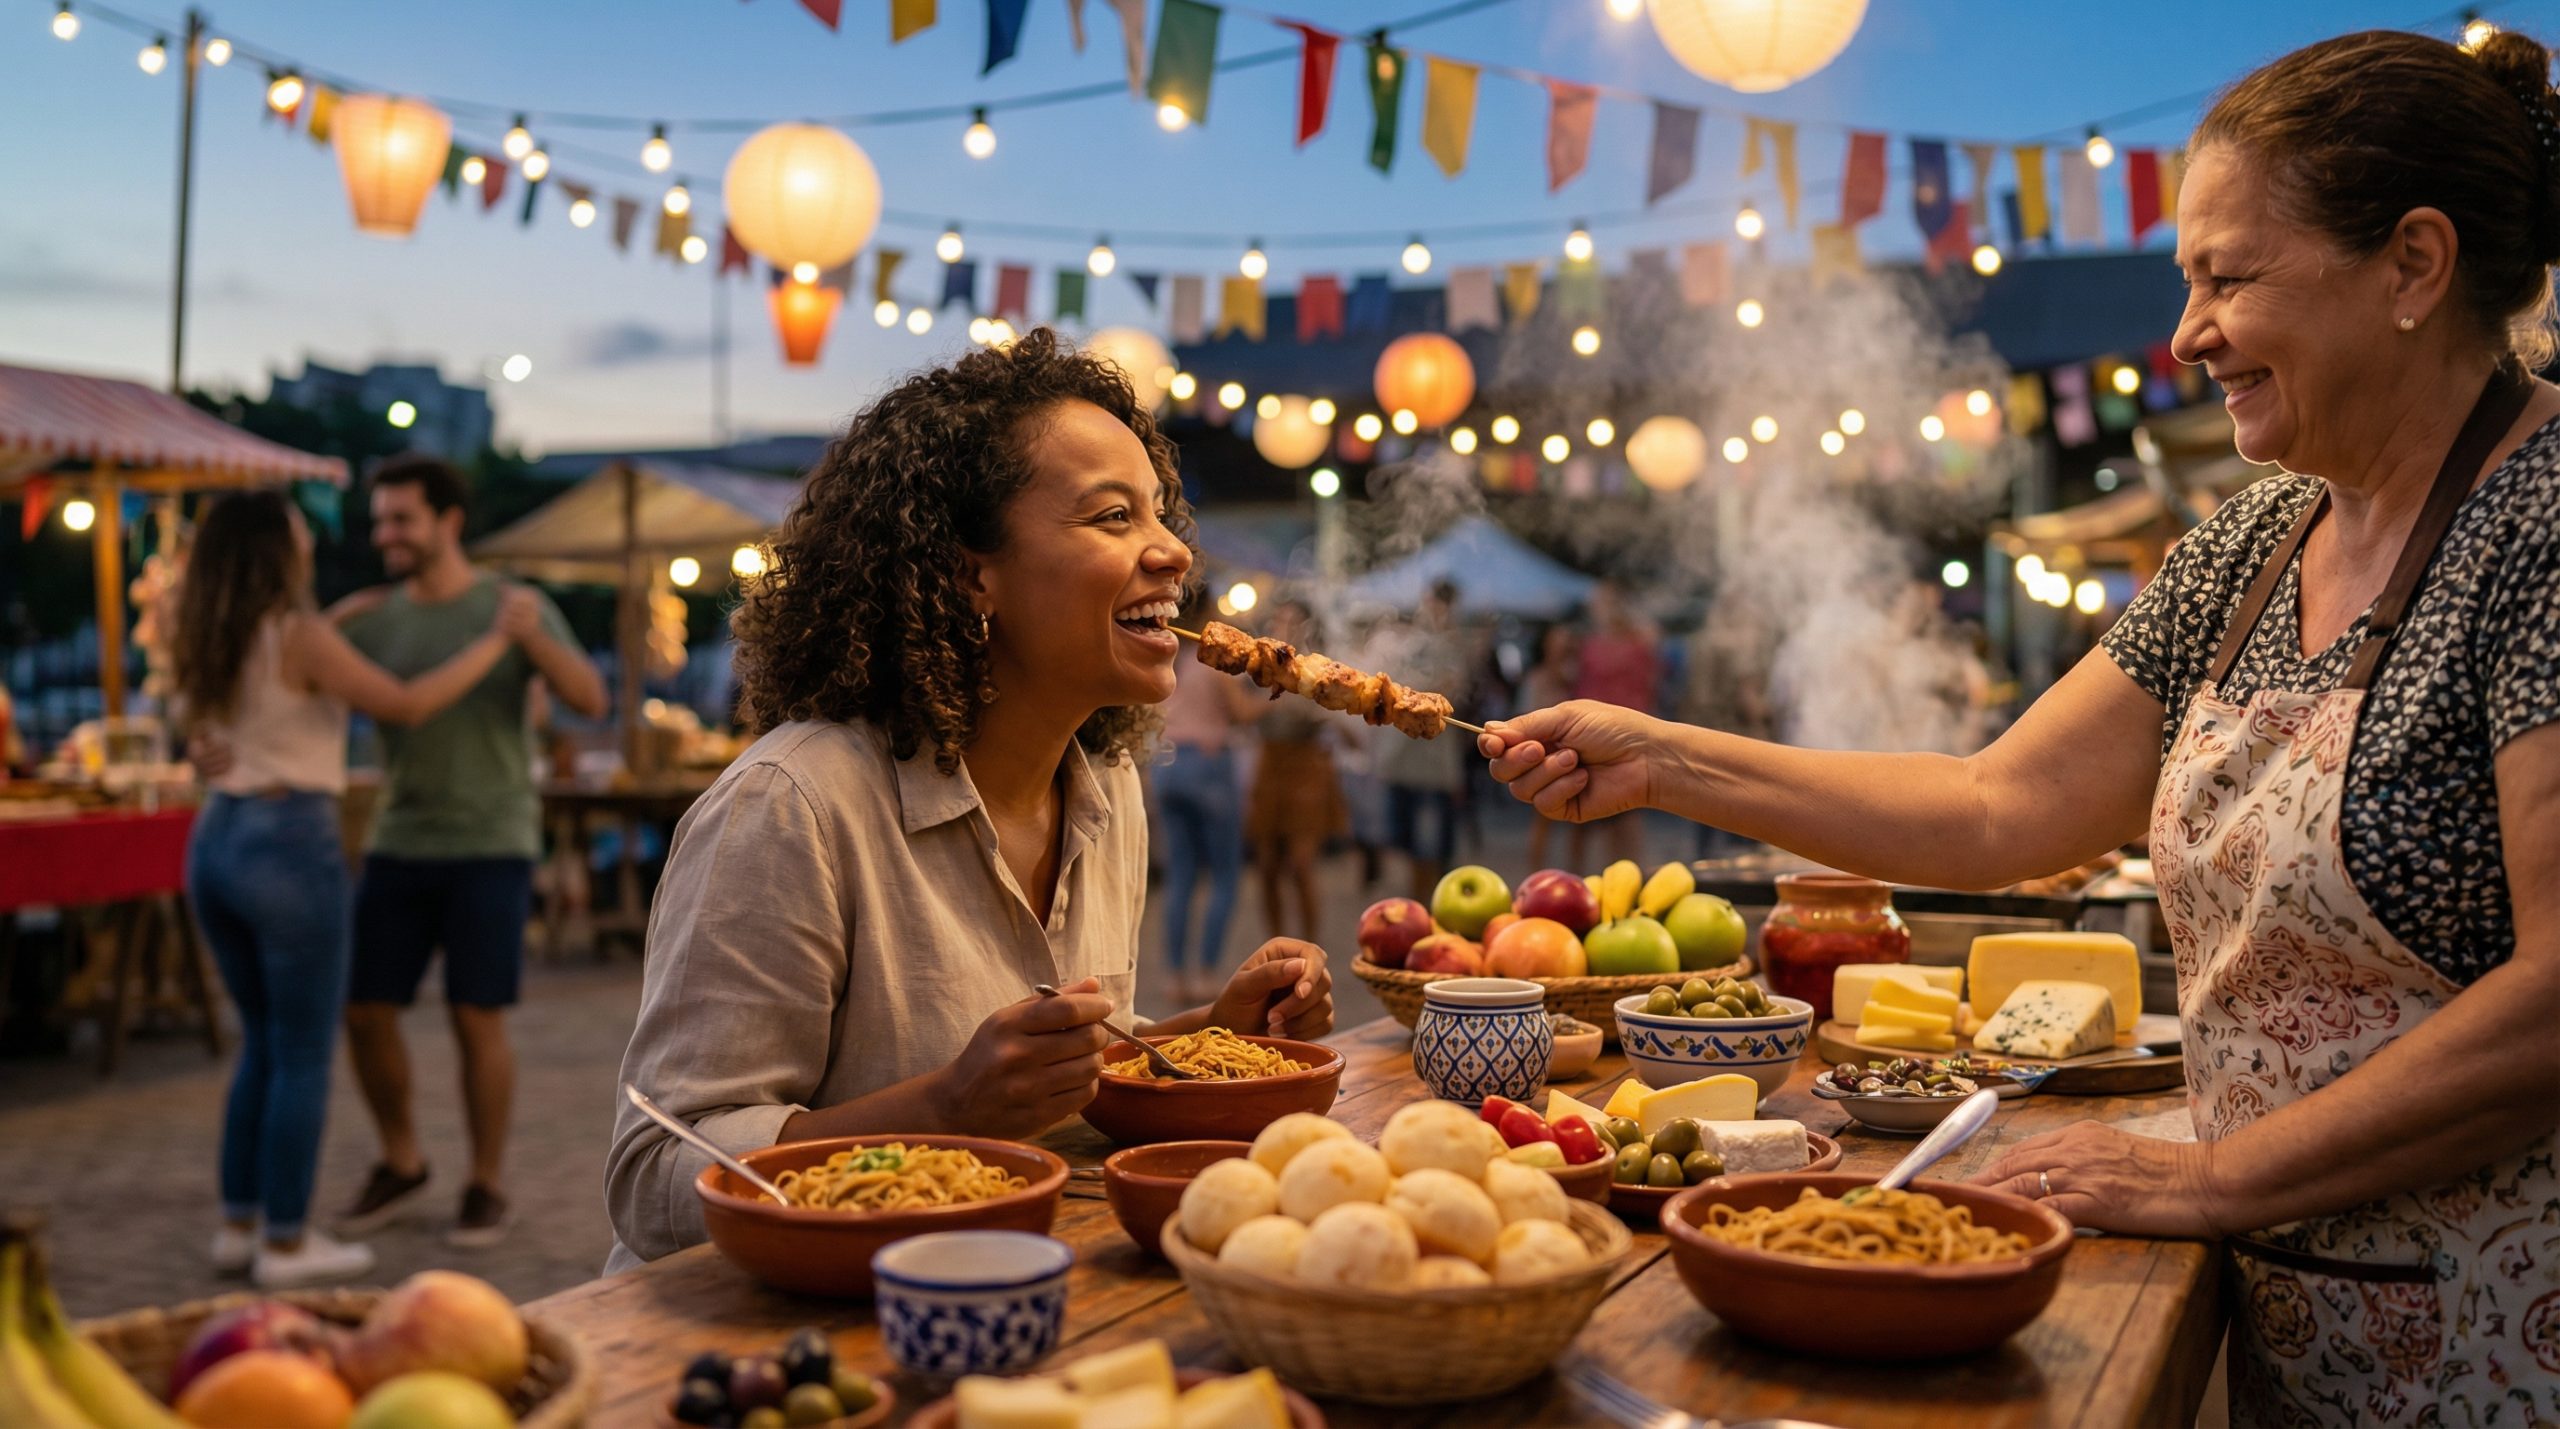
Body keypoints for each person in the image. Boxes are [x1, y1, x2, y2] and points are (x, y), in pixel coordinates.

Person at [1480, 29, 2560, 1424]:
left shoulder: (2541, 521)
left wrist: (2214, 1173)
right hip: (2312, 1333)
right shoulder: (2248, 550)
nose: (2188, 334)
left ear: (2414, 265)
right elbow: (1995, 806)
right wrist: (1665, 757)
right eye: (2188, 280)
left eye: (2230, 277)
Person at [603, 331, 1335, 1268]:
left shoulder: (1105, 787)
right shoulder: (791, 806)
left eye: (1160, 516)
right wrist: (945, 1110)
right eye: (1113, 518)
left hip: (1005, 1290)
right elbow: (655, 1171)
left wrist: (1205, 1040)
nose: (1171, 554)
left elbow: (1061, 1074)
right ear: (970, 572)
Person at [169, 490, 532, 1286]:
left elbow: (205, 724)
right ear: (276, 548)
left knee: (260, 1043)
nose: (308, 537)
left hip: (218, 841)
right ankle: (288, 1242)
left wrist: (347, 612)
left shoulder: (210, 632)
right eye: (298, 528)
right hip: (288, 843)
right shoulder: (298, 635)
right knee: (301, 1050)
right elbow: (402, 705)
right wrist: (494, 642)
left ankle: (240, 1224)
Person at [332, 455, 609, 1249]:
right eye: (379, 519)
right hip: (400, 836)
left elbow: (588, 698)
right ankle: (402, 1159)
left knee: (474, 1014)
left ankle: (485, 1182)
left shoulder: (514, 605)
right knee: (364, 1008)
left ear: (448, 521)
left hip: (492, 839)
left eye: (400, 519)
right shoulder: (374, 618)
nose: (384, 533)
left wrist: (535, 644)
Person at [1154, 589, 1262, 1004]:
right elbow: (1241, 713)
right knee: (1223, 875)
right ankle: (1205, 974)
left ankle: (1173, 976)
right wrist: (1279, 699)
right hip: (1209, 766)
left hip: (1168, 764)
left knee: (1180, 875)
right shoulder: (1211, 658)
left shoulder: (1167, 653)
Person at [1247, 598, 1348, 941]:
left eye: (1292, 621)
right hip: (1271, 761)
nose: (1284, 626)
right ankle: (1275, 940)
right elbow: (1242, 711)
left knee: (1301, 864)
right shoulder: (1260, 660)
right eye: (1279, 619)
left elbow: (1341, 722)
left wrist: (1320, 713)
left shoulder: (1320, 667)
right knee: (1267, 866)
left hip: (1307, 765)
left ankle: (1308, 942)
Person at [1375, 580, 1469, 899]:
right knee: (1405, 839)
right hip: (1401, 760)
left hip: (1434, 766)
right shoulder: (1406, 642)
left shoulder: (1455, 646)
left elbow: (1450, 689)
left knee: (1431, 843)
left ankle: (1430, 901)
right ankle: (1417, 898)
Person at [1568, 581, 1659, 870]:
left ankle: (1623, 880)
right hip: (1589, 733)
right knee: (1582, 813)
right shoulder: (1594, 642)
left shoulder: (1638, 641)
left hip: (1624, 733)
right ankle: (1579, 882)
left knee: (1624, 813)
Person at [1516, 623, 1578, 870]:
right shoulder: (1536, 679)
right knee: (1542, 819)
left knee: (1578, 820)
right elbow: (1523, 719)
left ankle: (1576, 876)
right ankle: (1536, 875)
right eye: (1557, 643)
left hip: (1573, 756)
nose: (1561, 649)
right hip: (1544, 758)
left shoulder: (1574, 679)